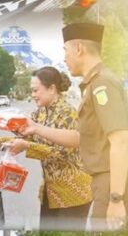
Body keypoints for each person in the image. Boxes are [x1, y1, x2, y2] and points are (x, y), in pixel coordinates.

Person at [19, 23, 128, 231]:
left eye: (66, 51)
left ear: (79, 48)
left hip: (109, 181)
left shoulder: (102, 84)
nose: (65, 59)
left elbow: (121, 140)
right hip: (102, 181)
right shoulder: (93, 84)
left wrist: (116, 198)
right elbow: (86, 137)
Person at [0, 66, 92, 231]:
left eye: (36, 90)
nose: (33, 95)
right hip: (51, 192)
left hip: (74, 192)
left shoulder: (68, 114)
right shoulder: (40, 114)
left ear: (51, 89)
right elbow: (22, 139)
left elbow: (62, 153)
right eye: (31, 91)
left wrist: (27, 146)